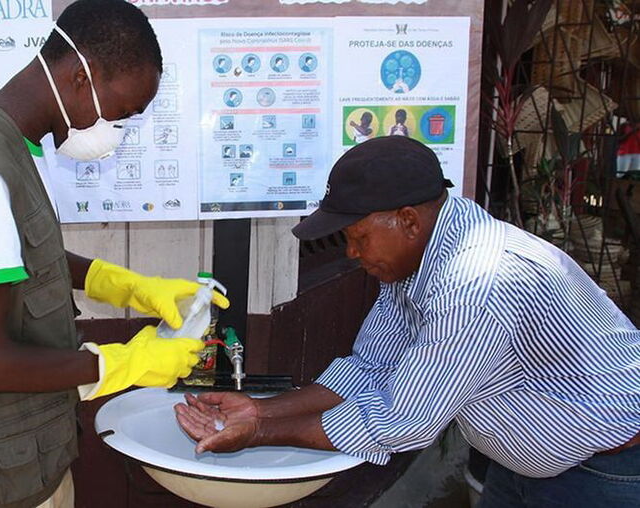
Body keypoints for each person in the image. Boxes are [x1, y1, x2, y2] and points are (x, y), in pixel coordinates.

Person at [175, 136, 640, 507]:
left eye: (358, 237)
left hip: (605, 470)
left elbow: (405, 417)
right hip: (529, 466)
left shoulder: (476, 282)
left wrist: (259, 434)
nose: (352, 254)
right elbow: (370, 367)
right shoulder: (416, 257)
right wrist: (260, 409)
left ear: (408, 221)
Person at [0, 2, 228, 508]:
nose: (118, 132)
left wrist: (124, 284)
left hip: (19, 448)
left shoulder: (6, 136)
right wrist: (126, 363)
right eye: (122, 113)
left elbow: (18, 253)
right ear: (81, 77)